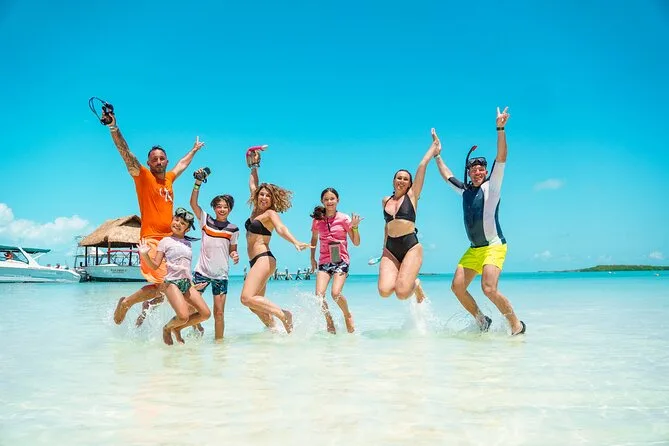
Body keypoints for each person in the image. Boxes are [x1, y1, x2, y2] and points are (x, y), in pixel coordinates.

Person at [105, 111, 205, 326]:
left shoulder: (169, 178)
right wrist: (114, 127)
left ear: (166, 160)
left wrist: (194, 150)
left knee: (167, 288)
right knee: (164, 285)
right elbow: (126, 154)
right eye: (154, 159)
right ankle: (126, 303)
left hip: (170, 241)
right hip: (150, 240)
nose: (158, 162)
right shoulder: (143, 176)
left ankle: (144, 313)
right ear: (148, 163)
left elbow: (182, 164)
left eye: (161, 158)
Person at [433, 107, 525, 335]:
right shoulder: (464, 191)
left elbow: (501, 157)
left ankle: (517, 325)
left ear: (485, 172)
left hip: (494, 245)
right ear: (469, 173)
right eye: (474, 170)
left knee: (489, 289)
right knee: (457, 287)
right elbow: (446, 175)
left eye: (481, 169)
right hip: (474, 249)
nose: (478, 172)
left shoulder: (492, 186)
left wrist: (500, 129)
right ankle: (482, 320)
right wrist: (437, 154)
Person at [241, 145, 312, 333]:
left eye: (268, 196)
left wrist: (295, 241)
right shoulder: (255, 211)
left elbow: (281, 228)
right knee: (254, 305)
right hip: (255, 261)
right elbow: (253, 184)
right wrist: (254, 166)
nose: (264, 197)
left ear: (272, 200)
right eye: (261, 194)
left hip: (264, 258)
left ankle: (284, 315)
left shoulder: (270, 214)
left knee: (246, 298)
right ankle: (273, 330)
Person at [377, 131, 438, 302]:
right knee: (384, 291)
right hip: (390, 247)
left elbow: (422, 166)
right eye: (399, 178)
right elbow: (387, 226)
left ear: (410, 183)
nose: (402, 181)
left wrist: (433, 147)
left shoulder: (412, 196)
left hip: (410, 245)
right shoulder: (385, 200)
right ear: (393, 180)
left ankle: (415, 285)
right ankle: (405, 278)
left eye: (405, 179)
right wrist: (383, 247)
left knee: (402, 293)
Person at [138, 208, 211, 345]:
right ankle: (167, 329)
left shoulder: (188, 244)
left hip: (187, 284)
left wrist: (193, 285)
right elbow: (155, 265)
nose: (178, 224)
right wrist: (145, 255)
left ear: (187, 229)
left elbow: (185, 267)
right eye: (176, 220)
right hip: (172, 283)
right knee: (183, 316)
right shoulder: (165, 241)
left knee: (205, 314)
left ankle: (177, 328)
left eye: (182, 223)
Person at [190, 168, 240, 341]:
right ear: (214, 207)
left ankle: (219, 346)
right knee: (191, 307)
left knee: (219, 313)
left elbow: (232, 249)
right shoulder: (206, 220)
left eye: (226, 207)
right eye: (219, 206)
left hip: (220, 275)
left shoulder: (233, 229)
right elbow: (193, 204)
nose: (222, 209)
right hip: (201, 272)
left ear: (230, 209)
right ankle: (197, 328)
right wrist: (197, 183)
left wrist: (234, 255)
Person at [309, 187, 362, 333]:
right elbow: (313, 239)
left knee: (335, 293)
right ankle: (329, 321)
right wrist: (312, 258)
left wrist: (355, 227)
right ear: (322, 201)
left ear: (337, 200)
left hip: (341, 261)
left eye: (332, 199)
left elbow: (356, 242)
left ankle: (347, 315)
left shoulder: (344, 218)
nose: (329, 202)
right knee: (319, 296)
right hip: (324, 261)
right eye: (326, 199)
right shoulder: (317, 220)